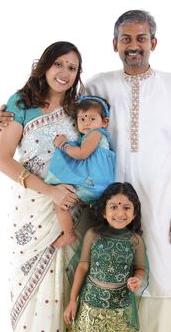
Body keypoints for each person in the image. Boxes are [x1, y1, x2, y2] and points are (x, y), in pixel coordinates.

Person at [0, 10, 171, 332]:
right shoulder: (99, 85)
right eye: (126, 39)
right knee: (91, 271)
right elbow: (42, 122)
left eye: (141, 38)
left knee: (162, 271)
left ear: (154, 42)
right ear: (114, 44)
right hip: (95, 202)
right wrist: (7, 115)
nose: (133, 46)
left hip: (159, 198)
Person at [0, 41, 95, 332]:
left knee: (72, 287)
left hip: (73, 210)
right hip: (33, 210)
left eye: (72, 68)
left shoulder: (78, 109)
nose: (64, 72)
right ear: (45, 66)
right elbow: (1, 160)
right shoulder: (20, 103)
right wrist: (51, 191)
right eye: (58, 64)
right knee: (32, 289)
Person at [64, 182, 148, 331]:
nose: (120, 213)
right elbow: (83, 266)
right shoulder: (93, 234)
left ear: (134, 213)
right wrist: (72, 300)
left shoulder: (135, 240)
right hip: (90, 305)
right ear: (103, 212)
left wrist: (138, 279)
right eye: (113, 207)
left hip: (121, 309)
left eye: (127, 208)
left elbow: (140, 268)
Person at [44, 95, 115, 247]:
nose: (86, 123)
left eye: (91, 119)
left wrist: (62, 144)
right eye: (82, 119)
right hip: (98, 185)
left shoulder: (96, 134)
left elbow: (81, 154)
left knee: (59, 203)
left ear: (105, 122)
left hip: (92, 183)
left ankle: (69, 234)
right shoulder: (91, 136)